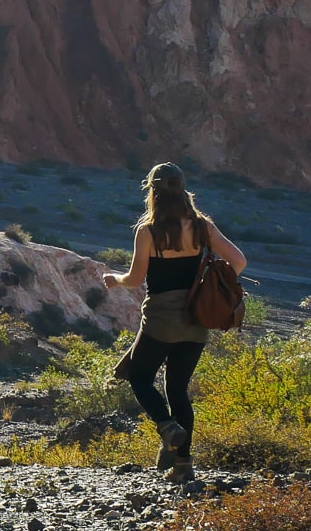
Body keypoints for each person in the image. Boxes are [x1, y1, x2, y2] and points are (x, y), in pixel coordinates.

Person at [103, 162, 247, 482]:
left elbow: (137, 278)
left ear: (152, 192)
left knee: (140, 377)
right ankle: (183, 465)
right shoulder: (202, 227)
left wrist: (115, 279)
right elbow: (239, 261)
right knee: (178, 390)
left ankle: (167, 427)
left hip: (160, 319)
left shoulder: (148, 231)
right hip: (196, 319)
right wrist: (212, 284)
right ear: (183, 189)